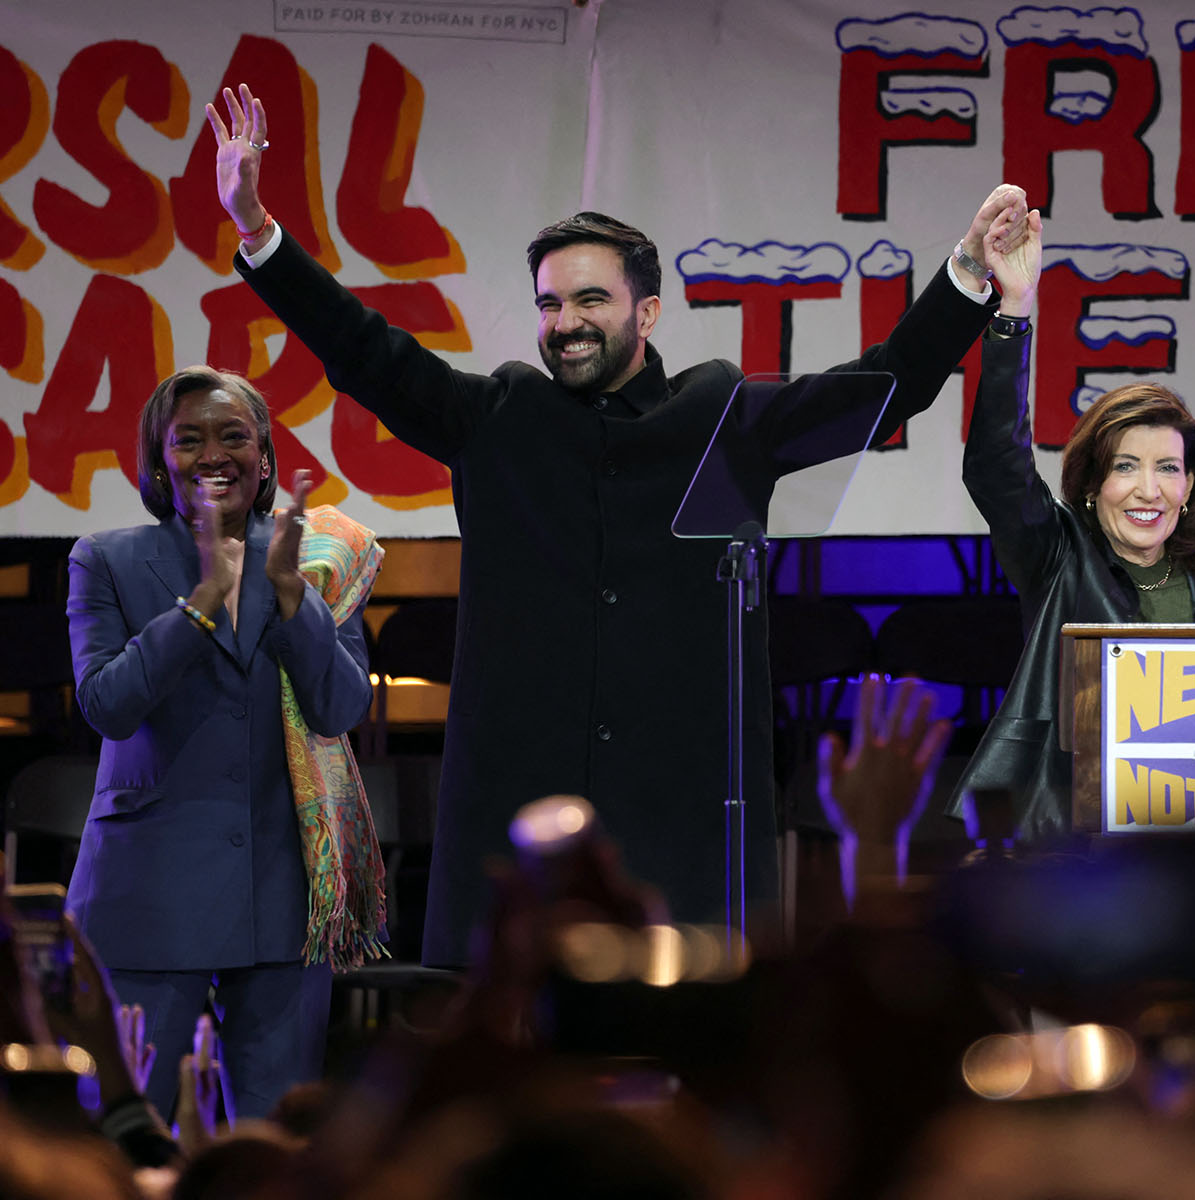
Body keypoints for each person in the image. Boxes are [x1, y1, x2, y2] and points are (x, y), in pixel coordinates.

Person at [206, 85, 1020, 964]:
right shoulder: (500, 417)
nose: (566, 325)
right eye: (550, 305)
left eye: (590, 301)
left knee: (686, 1047)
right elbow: (361, 347)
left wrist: (968, 277)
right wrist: (256, 228)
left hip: (683, 807)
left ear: (647, 310)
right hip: (519, 813)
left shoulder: (723, 418)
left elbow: (883, 389)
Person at [64, 366, 382, 1120]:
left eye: (234, 435)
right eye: (189, 440)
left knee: (272, 1152)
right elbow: (107, 704)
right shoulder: (105, 558)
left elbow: (340, 707)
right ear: (158, 462)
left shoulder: (315, 557)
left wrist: (290, 596)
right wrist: (203, 599)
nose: (214, 453)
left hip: (282, 901)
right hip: (149, 898)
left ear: (264, 459)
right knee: (123, 1137)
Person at [950, 207, 1195, 838]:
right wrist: (1013, 309)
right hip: (1066, 844)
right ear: (1094, 486)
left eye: (1168, 470)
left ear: (1191, 486)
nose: (1148, 490)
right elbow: (996, 466)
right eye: (1126, 466)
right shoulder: (1059, 559)